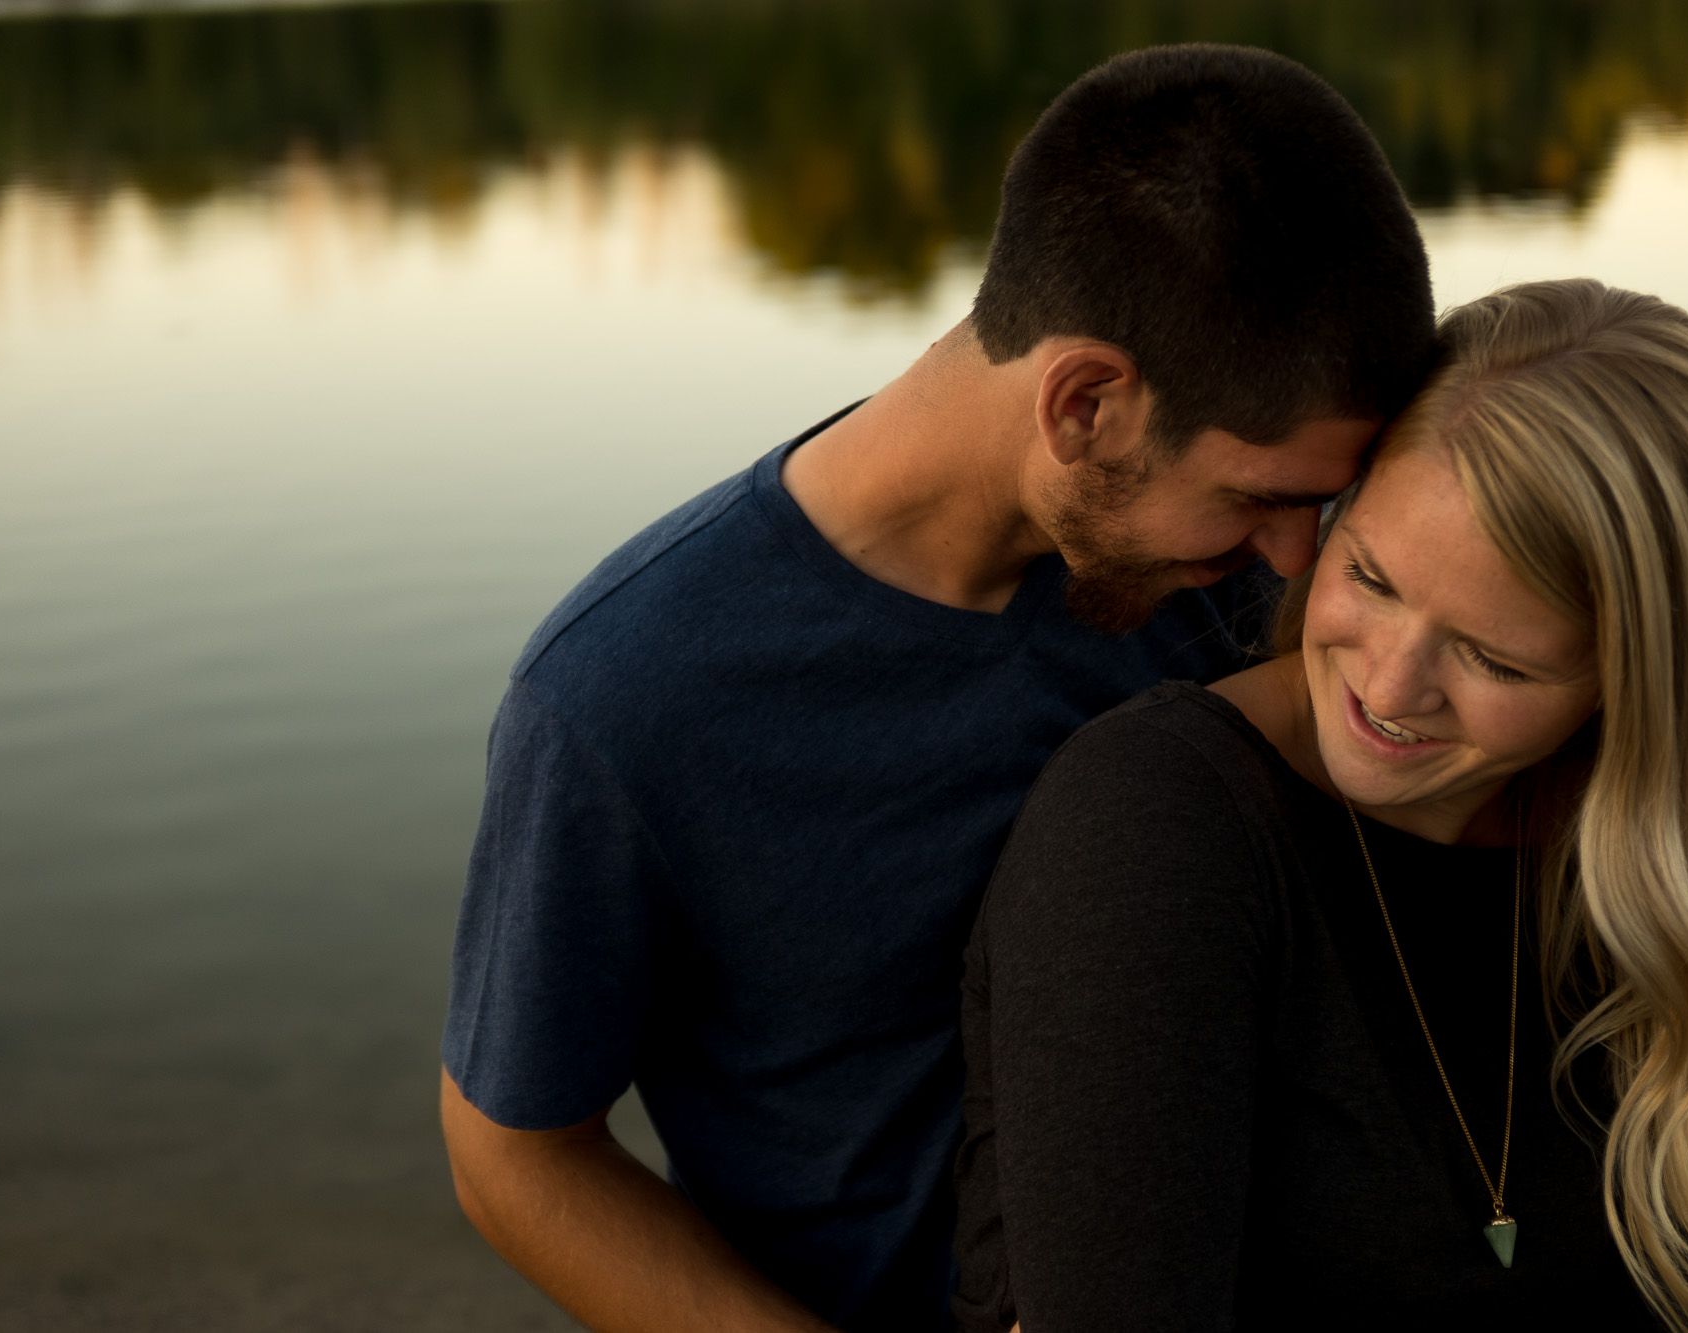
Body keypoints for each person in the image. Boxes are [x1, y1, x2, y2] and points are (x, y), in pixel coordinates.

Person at [439, 44, 1435, 1333]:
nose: (1300, 564)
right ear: (1083, 402)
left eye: (1322, 505)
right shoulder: (624, 696)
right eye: (1259, 496)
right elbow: (514, 1153)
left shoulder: (1230, 582)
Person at [955, 278, 1688, 1332]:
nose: (1386, 685)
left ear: (1634, 683)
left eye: (1489, 658)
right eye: (1368, 576)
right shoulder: (1153, 830)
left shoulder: (1631, 871)